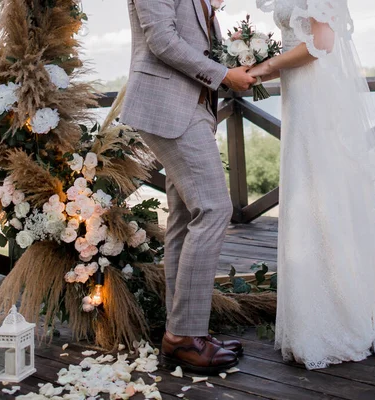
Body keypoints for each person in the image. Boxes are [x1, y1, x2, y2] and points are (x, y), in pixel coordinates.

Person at [250, 0, 375, 369]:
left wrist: (266, 66)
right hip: (298, 95)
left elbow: (322, 43)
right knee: (305, 194)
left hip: (317, 95)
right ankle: (311, 318)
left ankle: (339, 318)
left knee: (325, 193)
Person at [121, 0, 256, 374]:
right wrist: (225, 75)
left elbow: (194, 39)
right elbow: (162, 40)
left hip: (193, 107)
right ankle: (184, 337)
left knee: (184, 217)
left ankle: (182, 332)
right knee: (214, 208)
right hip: (167, 106)